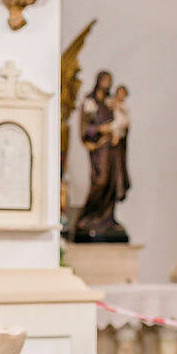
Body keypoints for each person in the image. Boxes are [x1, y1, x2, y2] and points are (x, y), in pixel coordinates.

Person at [73, 71, 127, 242]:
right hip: (99, 149)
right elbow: (85, 127)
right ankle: (87, 217)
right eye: (104, 80)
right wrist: (98, 130)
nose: (106, 83)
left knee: (112, 181)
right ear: (98, 81)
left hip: (113, 149)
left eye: (109, 81)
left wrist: (120, 132)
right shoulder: (90, 102)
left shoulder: (110, 103)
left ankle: (107, 219)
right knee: (101, 180)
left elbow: (122, 122)